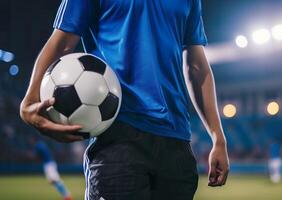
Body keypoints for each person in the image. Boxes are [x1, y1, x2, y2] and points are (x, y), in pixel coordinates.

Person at [20, 0, 229, 199]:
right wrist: (29, 101)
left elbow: (196, 65)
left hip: (177, 140)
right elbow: (62, 43)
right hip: (118, 133)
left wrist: (218, 137)